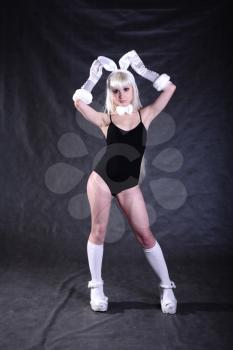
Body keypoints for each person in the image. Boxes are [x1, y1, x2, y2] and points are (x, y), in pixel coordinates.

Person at [73, 50, 177, 314]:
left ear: (133, 90)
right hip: (102, 180)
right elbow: (79, 103)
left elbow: (170, 88)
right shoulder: (105, 119)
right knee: (98, 231)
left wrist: (142, 70)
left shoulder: (146, 115)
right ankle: (96, 287)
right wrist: (94, 76)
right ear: (111, 93)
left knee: (145, 235)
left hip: (129, 184)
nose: (121, 95)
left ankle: (167, 287)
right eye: (116, 90)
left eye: (126, 89)